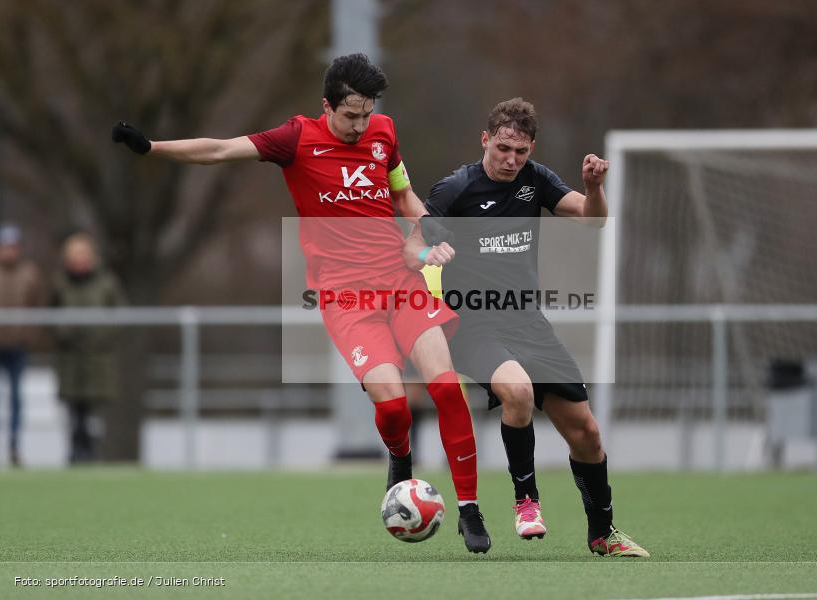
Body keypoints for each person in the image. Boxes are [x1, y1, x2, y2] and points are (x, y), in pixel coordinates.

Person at [112, 54, 491, 553]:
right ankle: (400, 458)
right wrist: (153, 147)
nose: (360, 126)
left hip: (401, 283)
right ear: (326, 106)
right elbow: (220, 149)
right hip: (347, 297)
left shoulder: (384, 132)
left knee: (445, 388)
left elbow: (403, 195)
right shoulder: (296, 138)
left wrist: (430, 224)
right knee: (394, 407)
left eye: (366, 114)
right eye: (349, 116)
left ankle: (469, 508)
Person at [405, 98, 648, 557]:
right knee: (516, 391)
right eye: (502, 149)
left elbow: (594, 220)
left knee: (587, 433)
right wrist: (426, 256)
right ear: (485, 140)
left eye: (520, 151)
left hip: (529, 323)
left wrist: (594, 187)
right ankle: (526, 501)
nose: (510, 160)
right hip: (472, 326)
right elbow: (410, 247)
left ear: (531, 148)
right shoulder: (455, 189)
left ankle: (603, 533)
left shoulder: (536, 179)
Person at [51, 233, 127, 463]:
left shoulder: (106, 282)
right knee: (74, 410)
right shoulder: (60, 283)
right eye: (75, 255)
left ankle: (93, 453)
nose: (79, 260)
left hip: (97, 356)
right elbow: (48, 313)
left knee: (94, 410)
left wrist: (102, 337)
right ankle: (75, 453)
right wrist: (63, 333)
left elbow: (121, 313)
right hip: (70, 356)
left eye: (83, 255)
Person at [0, 224, 44, 467]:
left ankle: (15, 447)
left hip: (17, 346)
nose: (9, 251)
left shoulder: (29, 273)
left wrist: (30, 335)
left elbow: (38, 306)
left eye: (12, 247)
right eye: (5, 246)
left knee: (17, 399)